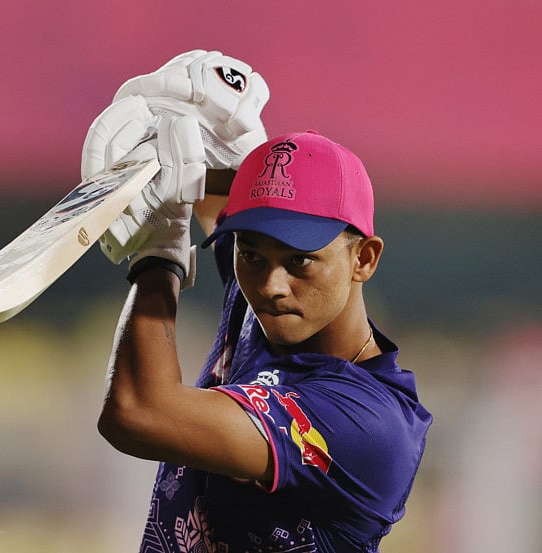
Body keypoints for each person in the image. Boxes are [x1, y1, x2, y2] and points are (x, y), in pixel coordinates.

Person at [82, 51, 432, 553]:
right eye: (251, 255)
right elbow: (210, 199)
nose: (270, 285)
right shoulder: (276, 307)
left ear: (364, 260)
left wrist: (157, 250)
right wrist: (183, 137)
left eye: (300, 261)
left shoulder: (367, 425)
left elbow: (137, 412)